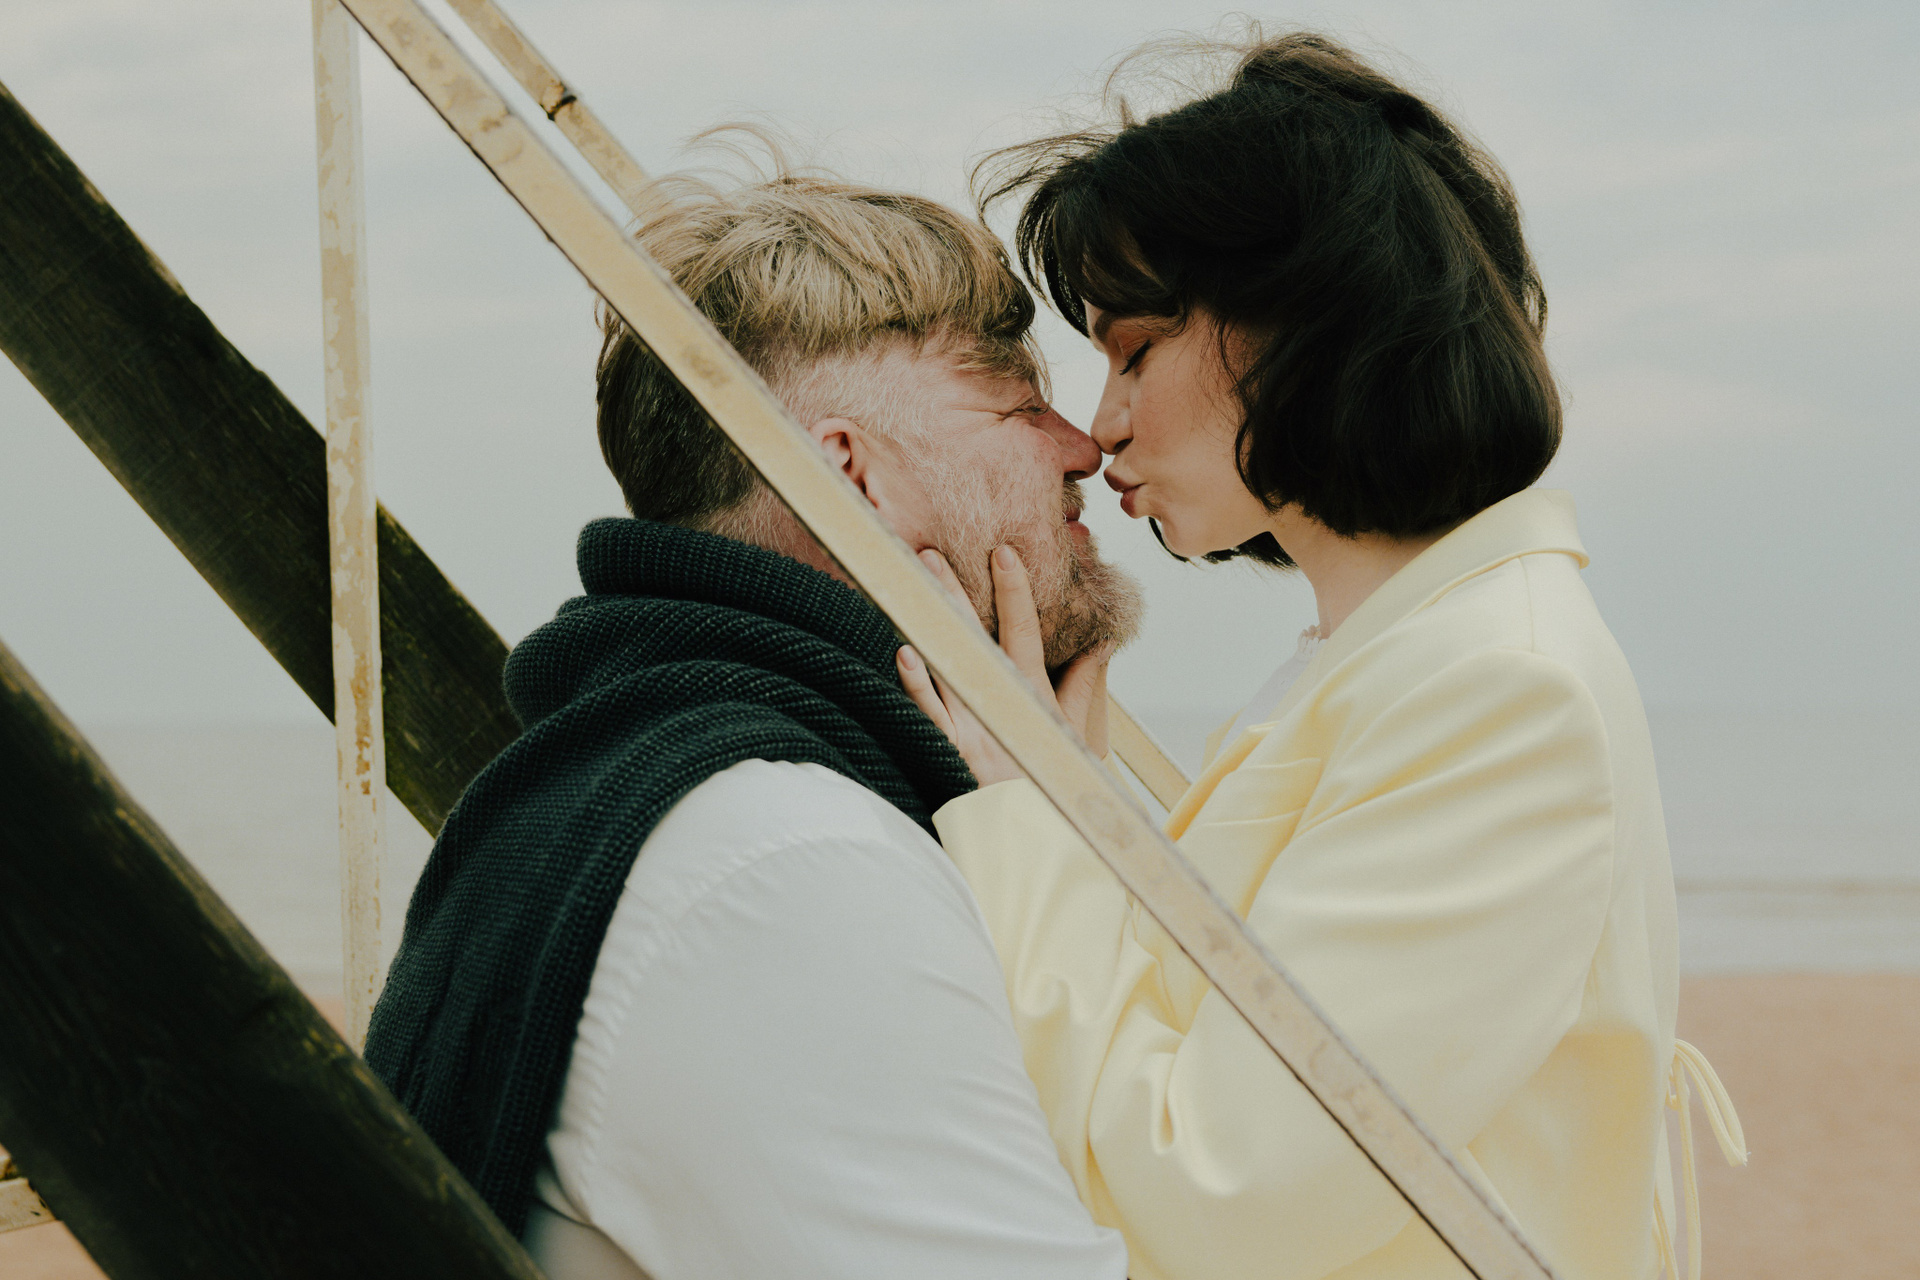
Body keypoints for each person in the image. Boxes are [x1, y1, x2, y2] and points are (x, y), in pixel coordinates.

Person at [899, 32, 1745, 1280]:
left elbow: (1222, 1186)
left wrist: (1029, 818)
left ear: (1301, 324)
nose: (1103, 422)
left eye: (1135, 349)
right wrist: (1076, 814)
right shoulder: (1396, 652)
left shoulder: (1497, 687)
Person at [364, 154, 1141, 1280]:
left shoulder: (645, 777)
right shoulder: (794, 862)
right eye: (1022, 404)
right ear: (851, 477)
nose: (1082, 447)